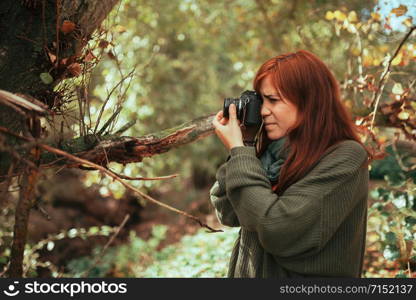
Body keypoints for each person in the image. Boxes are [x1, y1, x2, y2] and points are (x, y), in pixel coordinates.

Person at [210, 50, 373, 278]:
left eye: (273, 100)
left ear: (309, 102)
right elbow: (227, 212)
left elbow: (277, 228)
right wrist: (244, 145)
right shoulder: (270, 153)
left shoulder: (345, 158)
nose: (264, 111)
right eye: (262, 101)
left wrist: (240, 152)